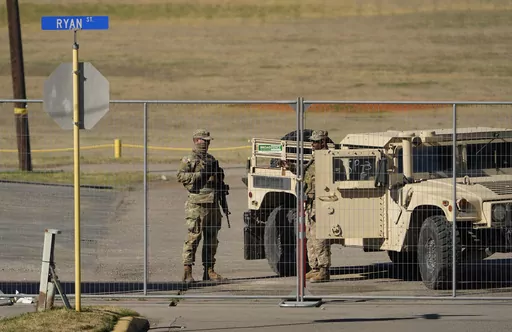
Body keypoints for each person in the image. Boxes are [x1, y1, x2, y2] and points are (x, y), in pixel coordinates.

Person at [176, 129, 228, 283]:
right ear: (195, 140)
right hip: (197, 204)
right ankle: (187, 271)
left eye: (208, 141)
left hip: (213, 204)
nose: (206, 143)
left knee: (212, 239)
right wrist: (201, 174)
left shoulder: (212, 160)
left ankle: (209, 270)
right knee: (193, 237)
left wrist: (219, 177)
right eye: (202, 140)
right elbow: (180, 176)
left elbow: (219, 179)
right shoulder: (189, 159)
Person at [303, 130, 332, 283]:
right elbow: (306, 176)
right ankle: (314, 267)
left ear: (323, 142)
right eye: (312, 142)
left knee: (320, 237)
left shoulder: (328, 158)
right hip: (310, 202)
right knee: (310, 236)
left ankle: (323, 270)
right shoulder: (314, 159)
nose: (312, 144)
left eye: (315, 142)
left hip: (320, 202)